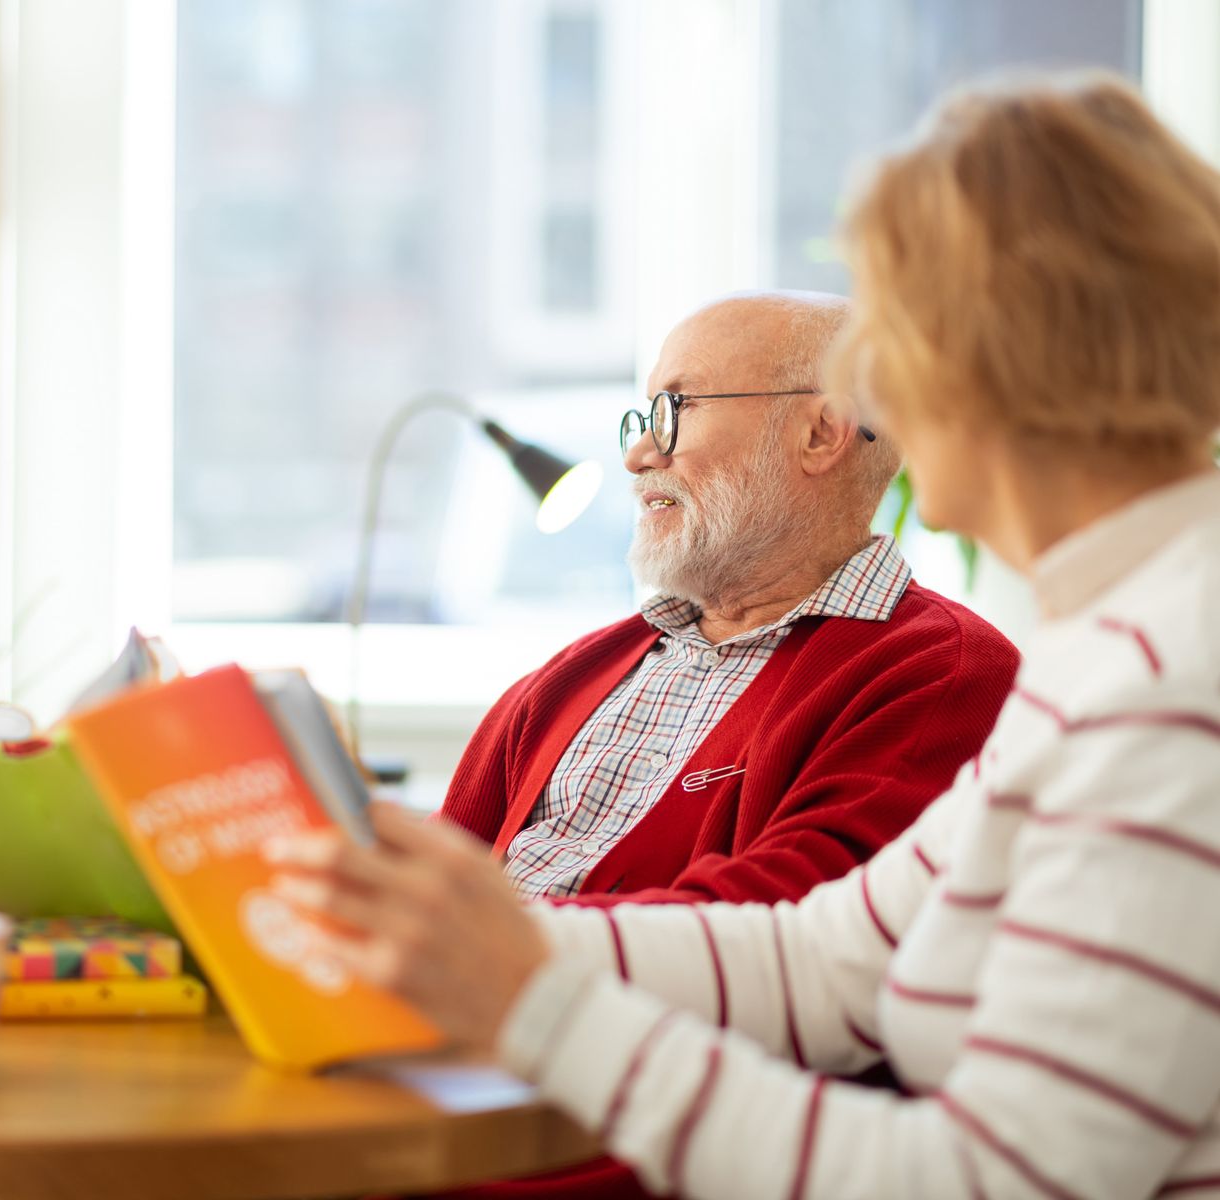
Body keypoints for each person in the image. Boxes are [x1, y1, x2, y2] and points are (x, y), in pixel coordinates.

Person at [272, 71, 1220, 1199]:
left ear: (999, 351)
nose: (875, 390)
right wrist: (478, 940)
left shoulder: (1171, 686)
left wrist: (536, 1002)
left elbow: (991, 1183)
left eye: (894, 332)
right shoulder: (1110, 645)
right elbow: (824, 961)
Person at [446, 291, 1017, 914]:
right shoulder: (566, 679)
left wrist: (496, 938)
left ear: (820, 434)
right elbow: (430, 885)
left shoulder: (948, 674)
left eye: (675, 409)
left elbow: (786, 928)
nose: (638, 457)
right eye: (644, 418)